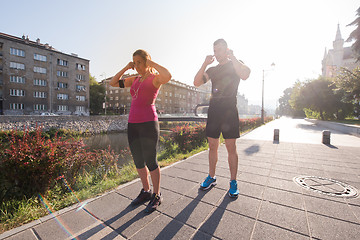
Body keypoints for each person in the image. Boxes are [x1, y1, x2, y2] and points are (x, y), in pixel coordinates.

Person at [110, 49, 172, 213]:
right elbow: (113, 82)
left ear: (146, 62)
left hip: (149, 123)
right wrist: (126, 67)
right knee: (138, 160)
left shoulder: (155, 79)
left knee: (151, 161)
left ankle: (157, 195)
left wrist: (151, 64)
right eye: (134, 62)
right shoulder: (134, 79)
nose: (136, 65)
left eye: (139, 62)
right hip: (133, 123)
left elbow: (168, 75)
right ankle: (146, 191)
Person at [193, 39, 251, 198]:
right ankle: (211, 177)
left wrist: (233, 57)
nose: (216, 53)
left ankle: (233, 181)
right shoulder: (212, 70)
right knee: (212, 145)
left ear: (226, 50)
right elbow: (196, 82)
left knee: (231, 147)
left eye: (219, 50)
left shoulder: (236, 64)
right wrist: (205, 64)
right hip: (214, 110)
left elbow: (245, 74)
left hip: (229, 111)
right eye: (214, 50)